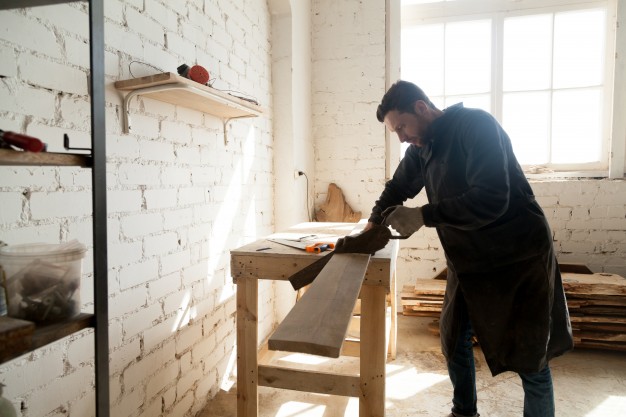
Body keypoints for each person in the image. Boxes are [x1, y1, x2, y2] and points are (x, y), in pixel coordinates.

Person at [366, 80, 573, 417]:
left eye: (402, 126)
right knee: (453, 339)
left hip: (517, 257)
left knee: (530, 357)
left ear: (421, 107)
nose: (402, 137)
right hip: (467, 259)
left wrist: (424, 215)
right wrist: (372, 225)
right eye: (396, 132)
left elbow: (491, 198)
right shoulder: (421, 147)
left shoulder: (476, 126)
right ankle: (464, 411)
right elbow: (397, 188)